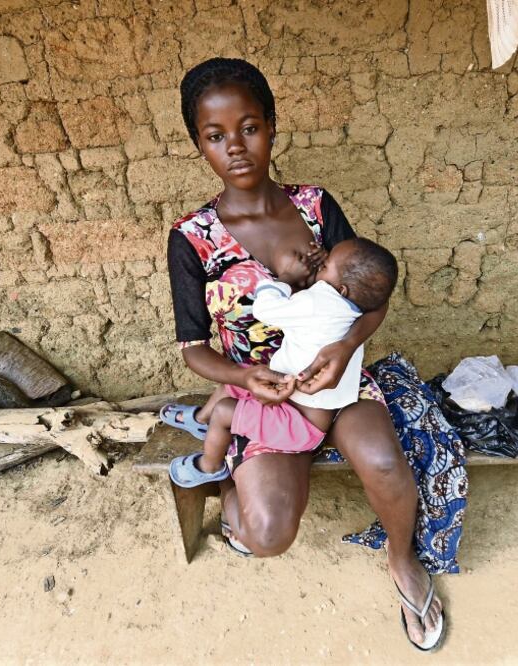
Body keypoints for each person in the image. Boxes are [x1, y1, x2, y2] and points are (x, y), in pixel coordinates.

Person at [162, 57, 444, 650]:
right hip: (264, 394)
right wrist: (243, 375)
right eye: (215, 136)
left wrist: (344, 347)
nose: (235, 147)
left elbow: (371, 295)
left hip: (338, 383)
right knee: (266, 534)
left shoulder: (317, 207)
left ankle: (402, 559)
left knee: (388, 464)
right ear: (198, 144)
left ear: (271, 126)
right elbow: (194, 350)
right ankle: (227, 471)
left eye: (249, 127)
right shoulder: (191, 238)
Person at [165, 237, 399, 487]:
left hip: (299, 425)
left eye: (326, 265)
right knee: (240, 376)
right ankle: (201, 421)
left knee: (225, 411)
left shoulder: (318, 303)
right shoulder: (353, 312)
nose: (320, 265)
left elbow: (265, 310)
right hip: (300, 406)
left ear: (340, 290)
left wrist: (283, 279)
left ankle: (210, 466)